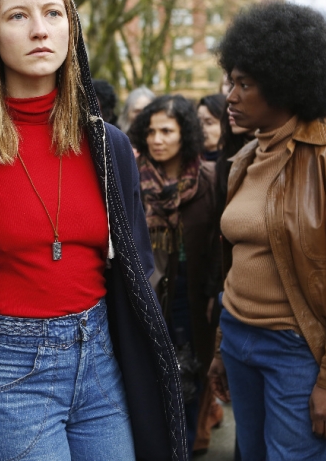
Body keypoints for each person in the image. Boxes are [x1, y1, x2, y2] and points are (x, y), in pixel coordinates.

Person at [0, 0, 187, 461]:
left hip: (100, 361)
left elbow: (138, 266)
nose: (40, 29)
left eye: (53, 13)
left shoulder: (109, 146)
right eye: (18, 15)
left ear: (70, 28)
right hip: (7, 372)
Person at [207, 1, 326, 459]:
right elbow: (238, 264)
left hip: (296, 349)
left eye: (244, 84)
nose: (230, 96)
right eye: (231, 82)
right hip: (238, 336)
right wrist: (222, 347)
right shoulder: (244, 159)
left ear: (284, 85)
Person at [128, 94, 219, 456]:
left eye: (167, 131)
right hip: (145, 296)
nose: (157, 139)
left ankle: (185, 447)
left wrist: (213, 295)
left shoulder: (207, 179)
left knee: (188, 381)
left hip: (190, 297)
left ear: (186, 134)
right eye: (151, 131)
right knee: (150, 383)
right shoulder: (131, 177)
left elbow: (216, 244)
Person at [197, 94, 226, 162]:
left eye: (209, 123)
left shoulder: (236, 162)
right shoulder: (192, 161)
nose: (201, 127)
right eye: (198, 122)